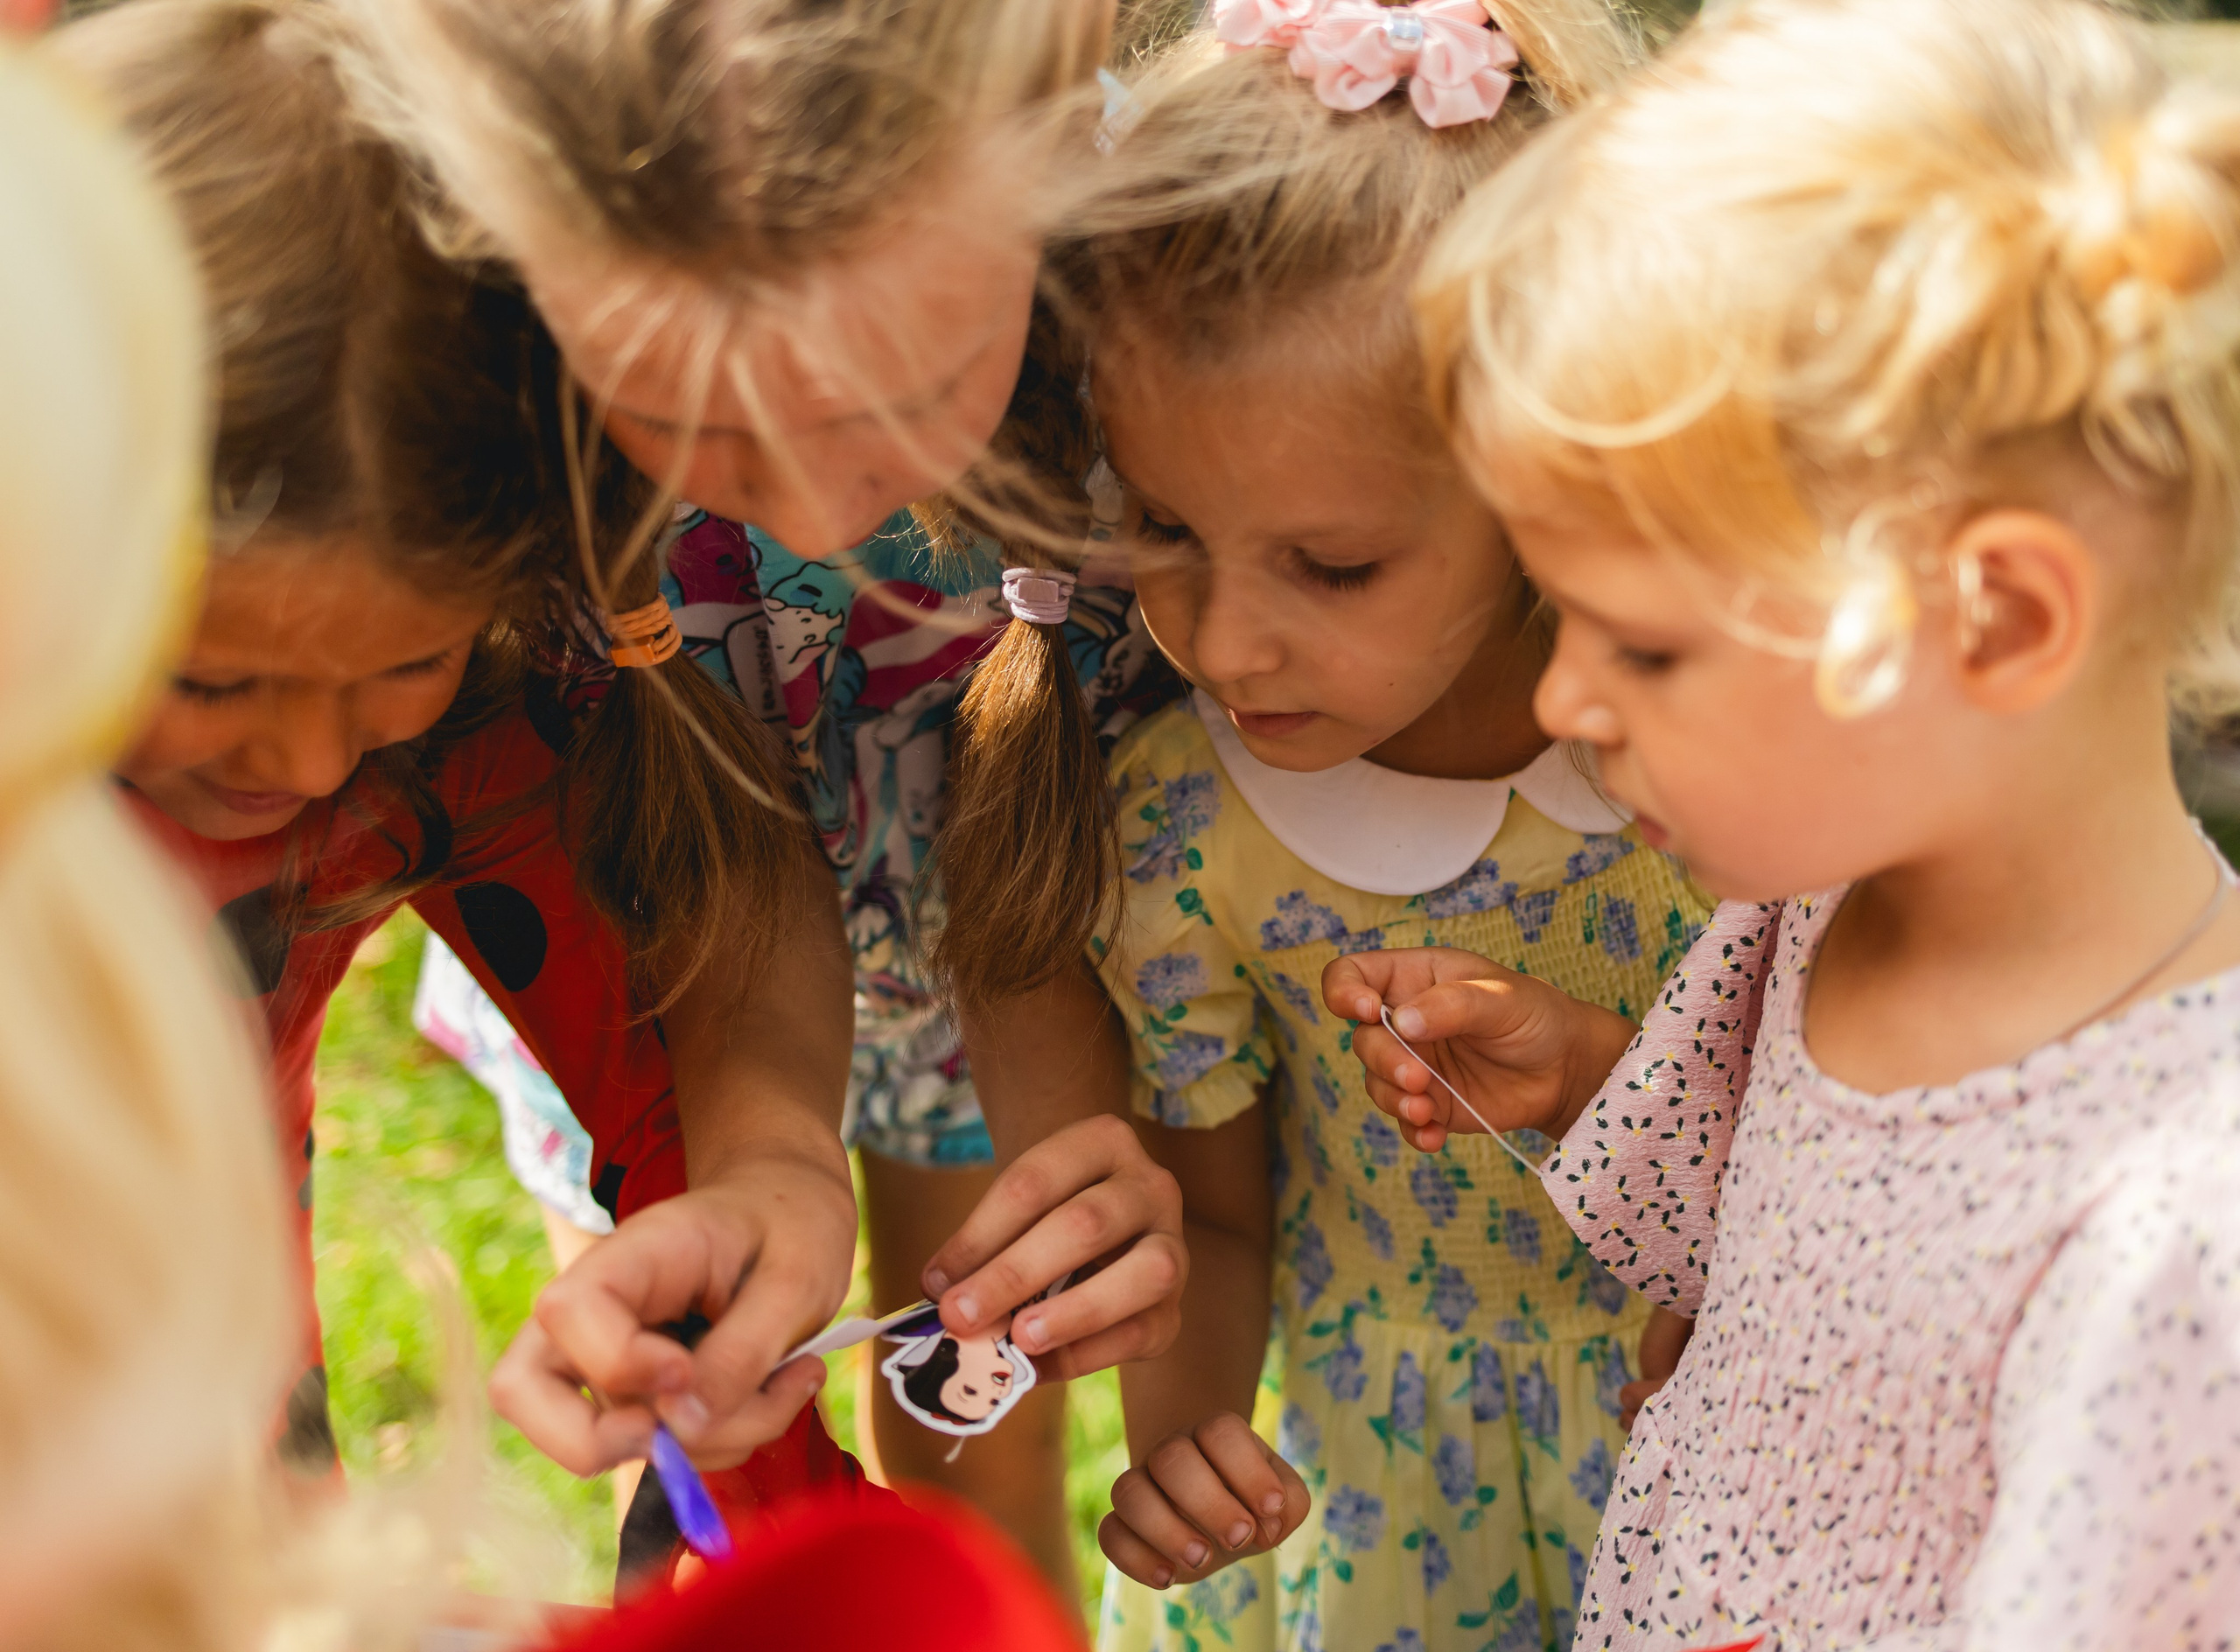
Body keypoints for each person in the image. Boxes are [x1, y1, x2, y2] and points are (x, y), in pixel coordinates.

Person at [1336, 0, 2240, 1644]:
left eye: (1647, 644)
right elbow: (1782, 1256)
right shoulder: (1816, 908)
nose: (1562, 704)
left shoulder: (2185, 1227)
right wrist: (1584, 1071)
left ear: (1998, 620)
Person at [334, 0, 1195, 1591]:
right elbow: (717, 841)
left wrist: (1073, 1151)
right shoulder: (510, 401)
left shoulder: (1162, 304)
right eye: (690, 414)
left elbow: (1026, 832)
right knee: (710, 1412)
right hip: (662, 951)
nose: (806, 494)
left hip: (1012, 935)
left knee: (963, 1441)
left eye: (896, 391)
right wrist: (761, 1168)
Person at [938, 4, 1712, 1647]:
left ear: (1536, 471)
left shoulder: (1710, 773)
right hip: (1370, 1510)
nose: (1220, 645)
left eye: (1333, 567)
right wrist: (1190, 1450)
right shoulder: (1188, 833)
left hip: (1695, 1462)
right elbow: (1215, 1214)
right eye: (1161, 529)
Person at [50, 0, 874, 1506]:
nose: (305, 761)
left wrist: (769, 1177)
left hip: (212, 1425)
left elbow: (691, 922)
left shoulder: (478, 728)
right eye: (211, 676)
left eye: (400, 665)